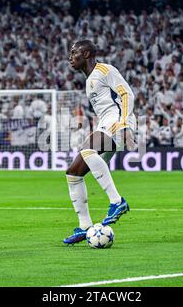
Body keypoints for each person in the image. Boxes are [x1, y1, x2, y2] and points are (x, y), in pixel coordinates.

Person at [63, 39, 136, 245]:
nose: (70, 57)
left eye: (74, 52)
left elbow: (126, 93)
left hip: (118, 121)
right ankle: (85, 227)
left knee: (86, 150)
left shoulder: (105, 70)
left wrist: (123, 124)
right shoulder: (89, 81)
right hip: (106, 123)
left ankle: (117, 201)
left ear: (86, 54)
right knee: (73, 172)